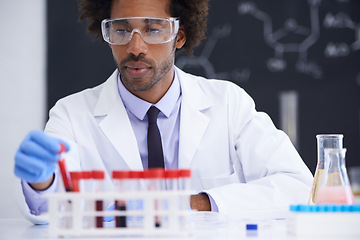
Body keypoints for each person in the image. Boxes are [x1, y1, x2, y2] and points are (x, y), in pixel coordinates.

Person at [14, 0, 313, 224]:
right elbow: (54, 208)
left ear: (179, 36)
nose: (135, 46)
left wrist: (194, 203)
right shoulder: (72, 113)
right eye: (120, 29)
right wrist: (43, 182)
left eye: (153, 29)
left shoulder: (229, 104)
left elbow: (297, 186)